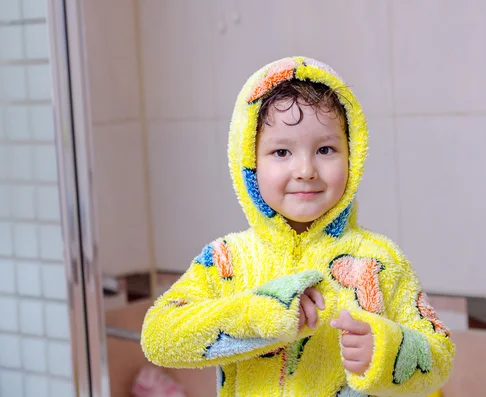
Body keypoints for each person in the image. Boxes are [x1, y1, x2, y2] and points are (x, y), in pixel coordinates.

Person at [141, 56, 455, 397]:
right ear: (249, 163)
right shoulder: (225, 260)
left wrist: (385, 350)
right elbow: (158, 337)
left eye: (325, 149)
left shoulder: (380, 261)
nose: (306, 169)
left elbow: (439, 358)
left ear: (353, 153)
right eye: (281, 152)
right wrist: (257, 314)